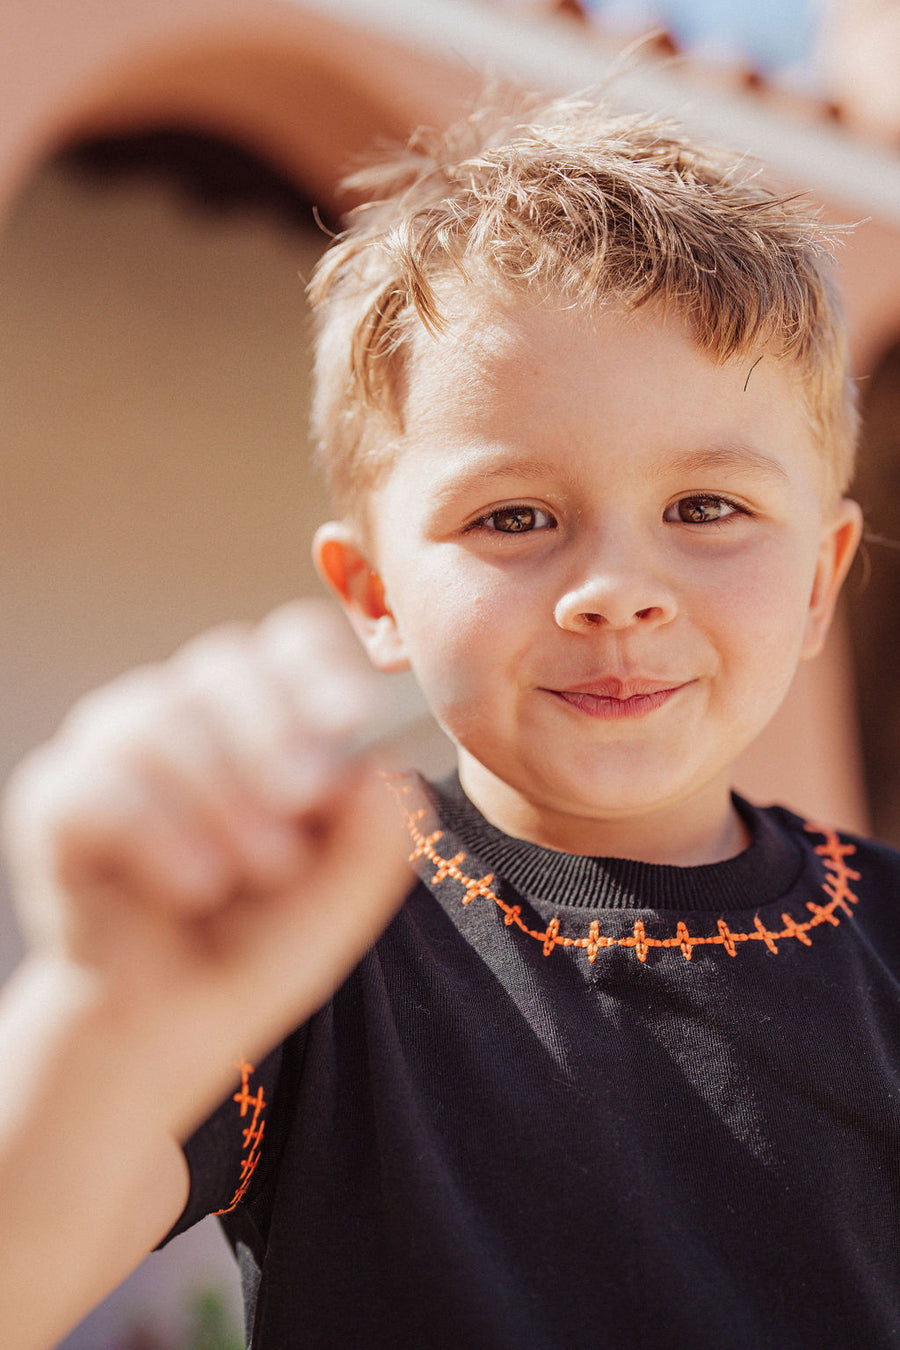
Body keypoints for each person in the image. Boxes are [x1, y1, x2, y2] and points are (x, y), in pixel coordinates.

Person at [0, 93, 897, 1350]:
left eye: (705, 508)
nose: (616, 590)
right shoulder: (310, 940)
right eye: (514, 518)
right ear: (375, 600)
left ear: (819, 581)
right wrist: (104, 1011)